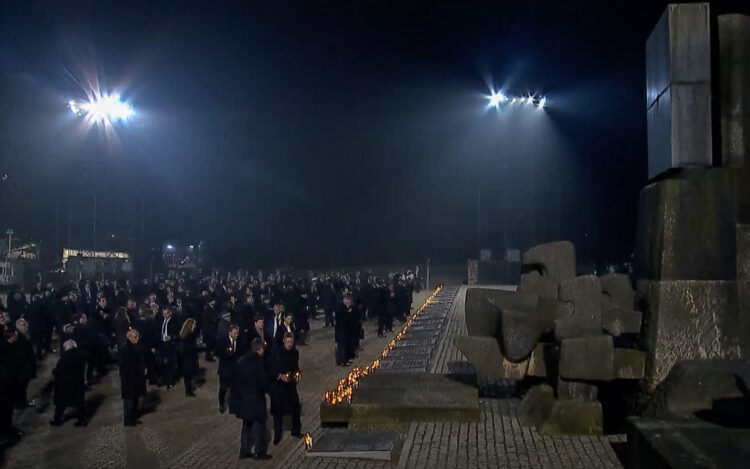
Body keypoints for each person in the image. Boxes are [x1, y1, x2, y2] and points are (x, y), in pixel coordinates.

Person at [229, 338, 272, 460]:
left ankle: (243, 450)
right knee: (258, 426)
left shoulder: (242, 361)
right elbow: (263, 382)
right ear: (259, 349)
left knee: (246, 425)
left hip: (243, 401)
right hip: (255, 400)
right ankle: (259, 451)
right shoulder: (258, 363)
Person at [270, 332, 301, 444]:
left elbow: (296, 366)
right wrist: (279, 375)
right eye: (288, 342)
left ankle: (296, 431)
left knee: (296, 408)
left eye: (291, 342)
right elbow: (271, 368)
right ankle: (277, 436)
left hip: (290, 384)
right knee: (278, 413)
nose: (289, 344)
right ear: (284, 341)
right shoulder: (276, 353)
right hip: (279, 386)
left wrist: (297, 374)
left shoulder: (295, 352)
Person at [50, 339, 88, 427]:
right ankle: (82, 420)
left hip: (65, 385)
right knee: (80, 403)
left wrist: (54, 372)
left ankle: (57, 420)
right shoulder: (81, 355)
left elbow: (59, 371)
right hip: (78, 382)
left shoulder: (64, 358)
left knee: (61, 404)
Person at [118, 329, 147, 426]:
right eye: (135, 337)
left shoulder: (133, 347)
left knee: (134, 399)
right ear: (129, 337)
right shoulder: (125, 349)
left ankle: (133, 418)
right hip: (129, 380)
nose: (137, 339)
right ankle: (128, 419)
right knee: (129, 400)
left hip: (135, 379)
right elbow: (125, 366)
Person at [215, 324, 242, 413]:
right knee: (223, 388)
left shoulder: (239, 341)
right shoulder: (223, 341)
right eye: (235, 333)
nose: (236, 335)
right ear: (230, 332)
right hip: (225, 369)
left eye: (237, 333)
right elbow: (217, 352)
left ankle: (233, 405)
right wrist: (226, 354)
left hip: (235, 369)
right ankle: (221, 403)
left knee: (234, 388)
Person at [12, 318, 36, 409]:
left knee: (22, 388)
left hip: (25, 368)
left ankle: (20, 402)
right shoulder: (18, 339)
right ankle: (20, 403)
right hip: (21, 370)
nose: (27, 326)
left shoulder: (25, 336)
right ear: (17, 327)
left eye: (26, 324)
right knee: (21, 388)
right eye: (24, 325)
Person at [156, 306, 179, 388]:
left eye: (166, 313)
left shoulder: (174, 321)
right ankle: (164, 379)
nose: (164, 315)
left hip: (170, 345)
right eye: (163, 313)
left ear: (170, 313)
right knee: (161, 363)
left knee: (170, 364)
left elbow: (178, 334)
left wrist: (171, 337)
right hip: (162, 344)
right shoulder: (162, 320)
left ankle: (170, 381)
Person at [179, 318, 199, 397]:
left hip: (185, 359)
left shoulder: (183, 335)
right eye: (194, 325)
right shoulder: (190, 336)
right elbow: (191, 348)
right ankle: (188, 391)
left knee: (187, 377)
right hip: (189, 359)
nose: (195, 326)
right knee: (189, 376)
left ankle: (188, 390)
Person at [334, 295, 355, 366]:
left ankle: (339, 360)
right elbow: (344, 319)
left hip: (340, 329)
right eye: (349, 302)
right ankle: (343, 361)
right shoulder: (342, 308)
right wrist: (348, 312)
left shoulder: (340, 307)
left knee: (340, 345)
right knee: (343, 345)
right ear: (346, 300)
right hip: (342, 329)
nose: (349, 304)